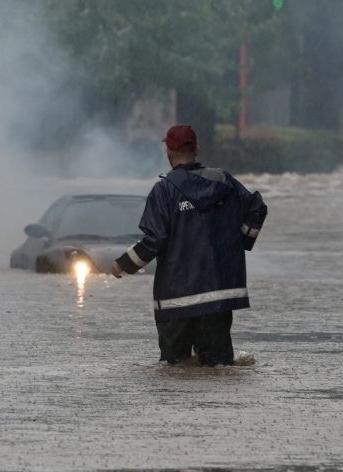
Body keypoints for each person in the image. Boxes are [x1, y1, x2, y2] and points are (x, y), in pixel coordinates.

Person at [111, 125, 267, 366]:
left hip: (176, 302)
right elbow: (257, 207)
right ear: (197, 149)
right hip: (218, 299)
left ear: (168, 151)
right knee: (219, 369)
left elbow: (155, 240)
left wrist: (123, 265)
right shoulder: (224, 181)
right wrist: (241, 241)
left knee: (175, 371)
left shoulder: (163, 191)